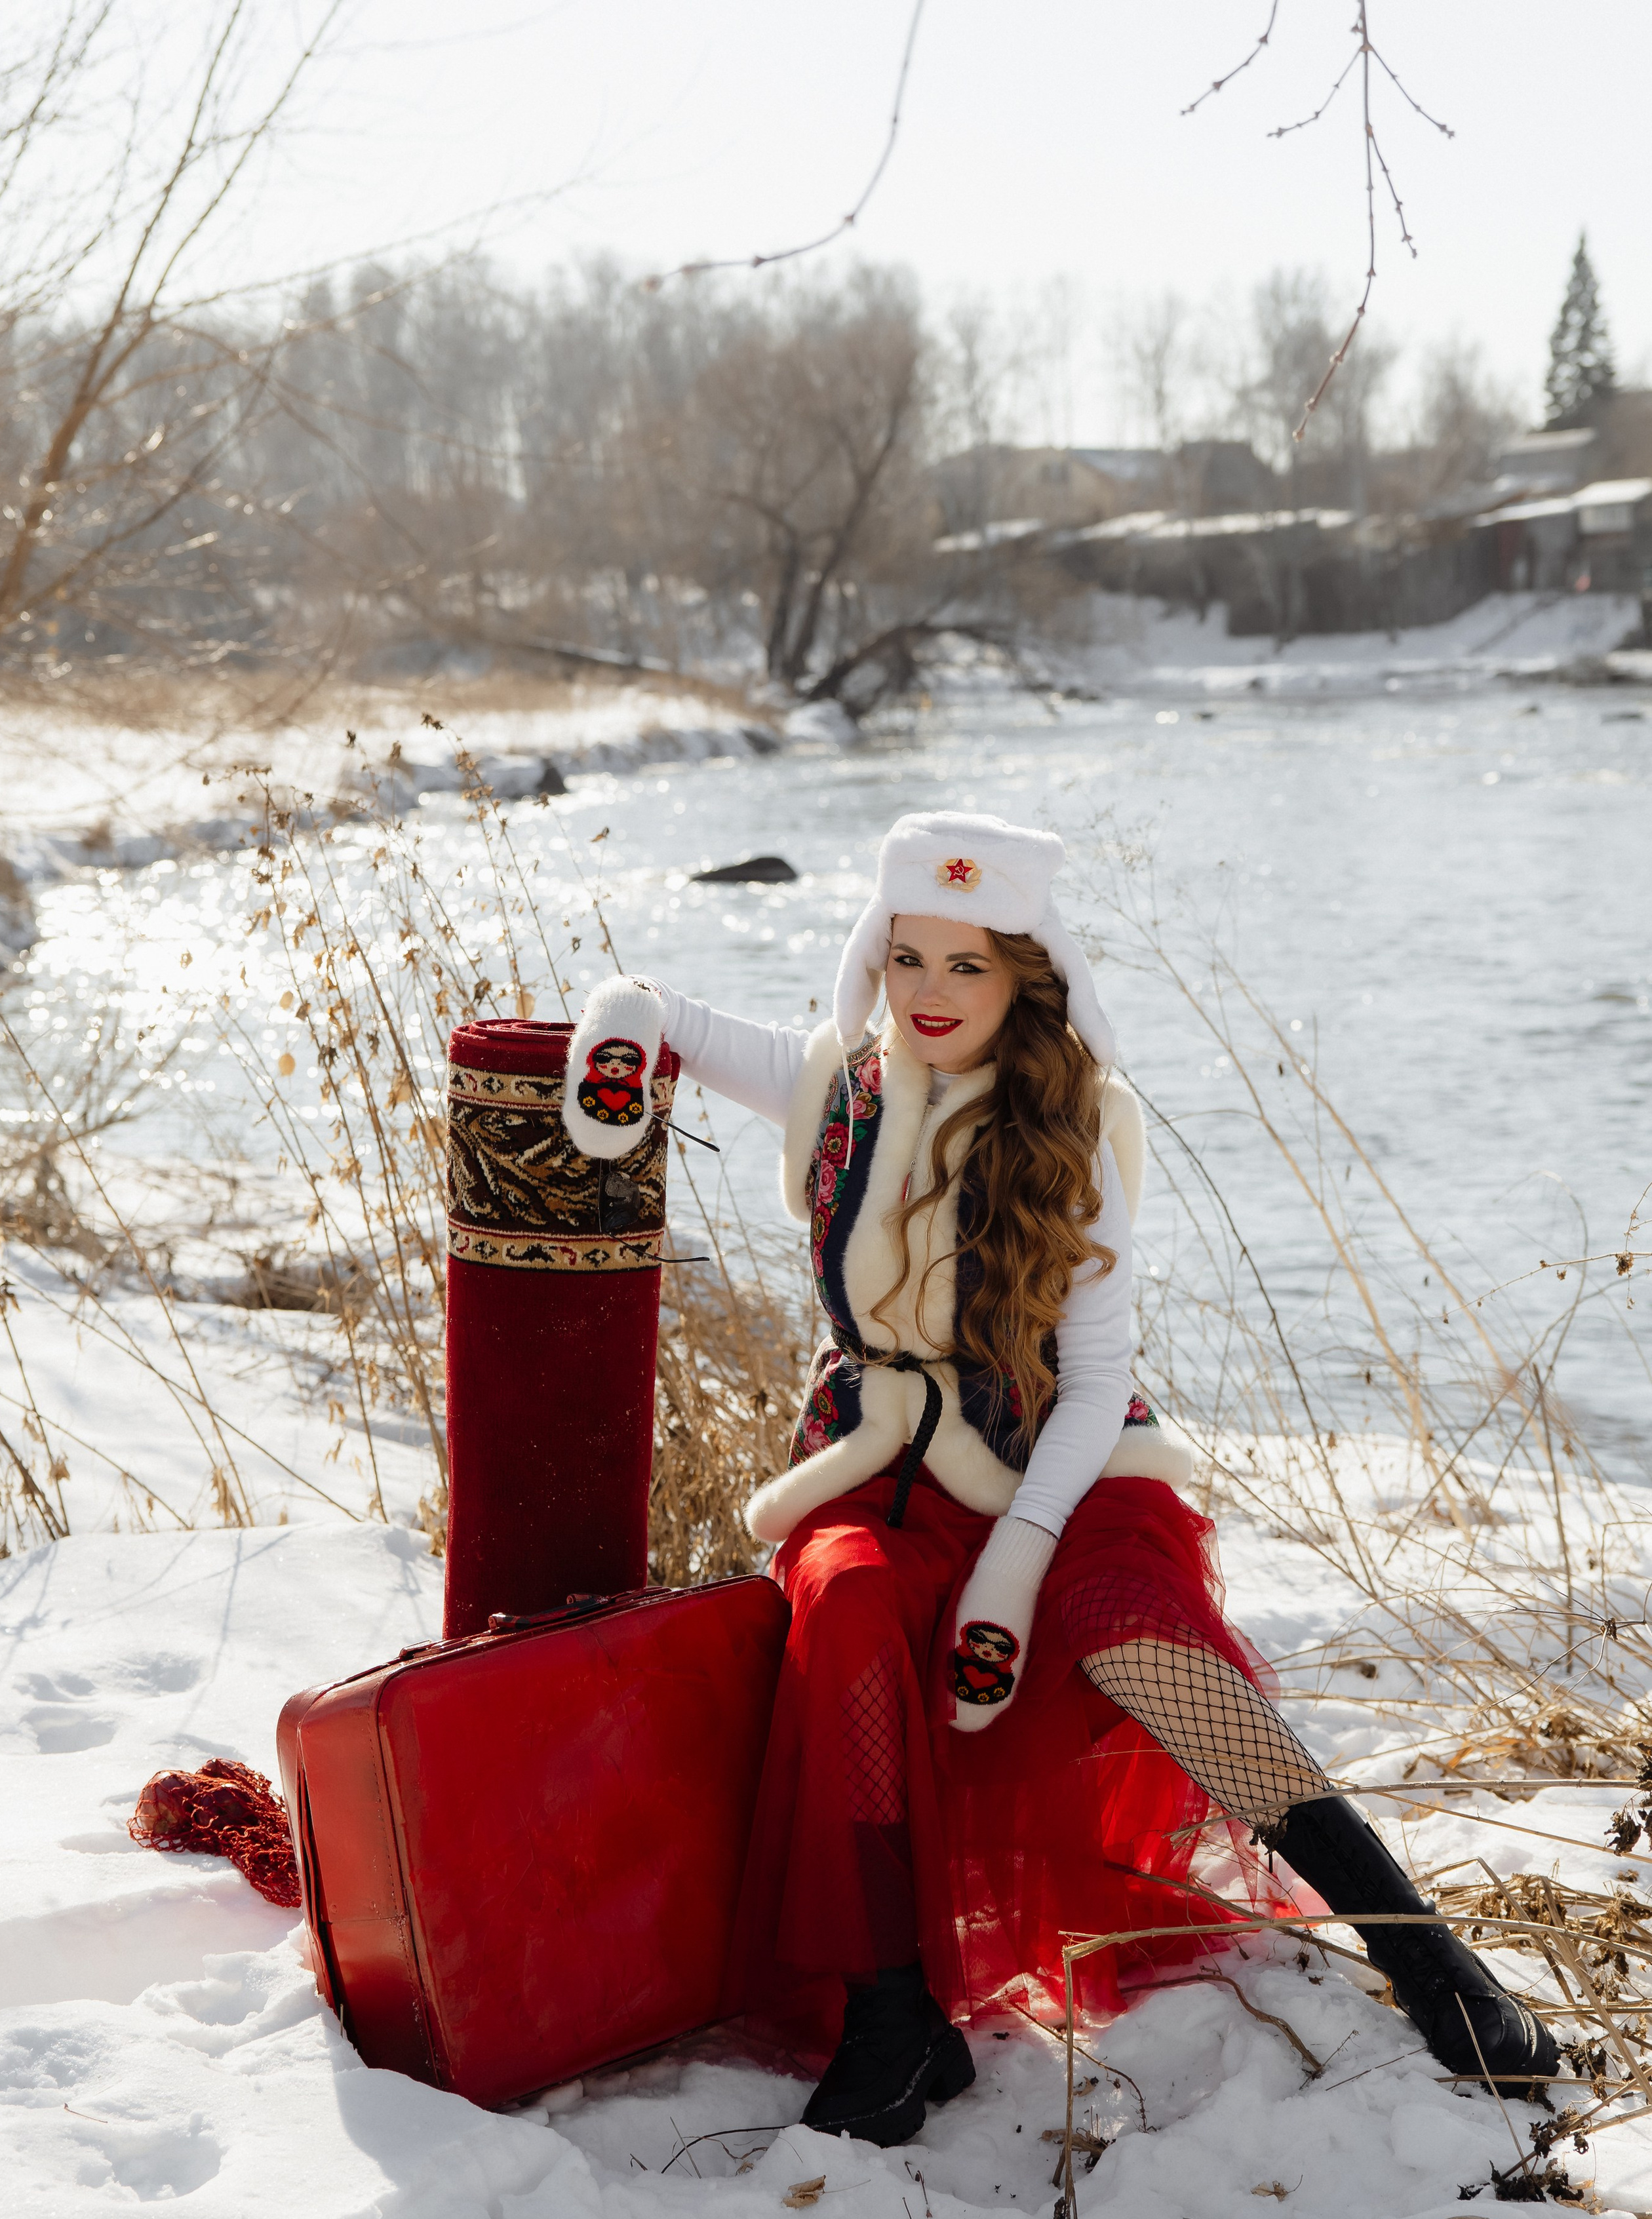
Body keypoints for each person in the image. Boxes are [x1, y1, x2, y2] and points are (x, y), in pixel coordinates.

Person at [561, 812, 1556, 2146]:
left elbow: (1093, 1388)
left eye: (963, 967)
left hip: (1057, 1473)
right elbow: (652, 1004)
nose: (924, 993)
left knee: (1135, 1636)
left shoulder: (1074, 1132)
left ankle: (1424, 1955)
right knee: (842, 1608)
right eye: (904, 956)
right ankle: (893, 2017)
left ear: (1025, 980)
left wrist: (1015, 1566)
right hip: (869, 1481)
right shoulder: (836, 1086)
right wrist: (614, 1040)